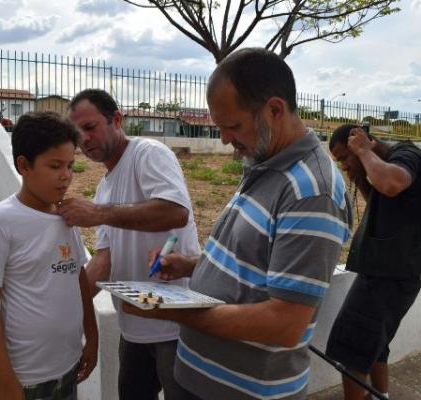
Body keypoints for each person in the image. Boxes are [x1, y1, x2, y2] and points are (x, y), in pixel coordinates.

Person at [122, 48, 352, 400]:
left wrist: (172, 310)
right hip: (198, 378)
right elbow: (253, 261)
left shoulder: (312, 191)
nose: (226, 140)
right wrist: (190, 265)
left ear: (274, 110)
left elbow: (285, 323)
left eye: (232, 126)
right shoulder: (264, 159)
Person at [58, 89, 201, 400]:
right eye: (76, 132)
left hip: (176, 327)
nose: (83, 139)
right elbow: (104, 261)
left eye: (90, 127)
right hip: (134, 326)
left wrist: (97, 214)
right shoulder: (105, 187)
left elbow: (176, 212)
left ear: (118, 120)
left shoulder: (148, 153)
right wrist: (66, 303)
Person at [0, 112, 98, 400]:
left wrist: (92, 337)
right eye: (55, 166)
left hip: (66, 368)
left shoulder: (67, 217)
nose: (66, 175)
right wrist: (4, 379)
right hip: (23, 378)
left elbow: (78, 278)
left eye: (70, 166)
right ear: (23, 165)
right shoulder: (0, 222)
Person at [326, 124, 421, 400]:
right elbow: (381, 199)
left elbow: (392, 184)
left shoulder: (404, 155)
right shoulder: (378, 166)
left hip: (388, 276)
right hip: (388, 272)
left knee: (351, 348)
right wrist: (360, 173)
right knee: (375, 346)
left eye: (344, 157)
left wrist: (364, 152)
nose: (343, 164)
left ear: (360, 139)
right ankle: (381, 395)